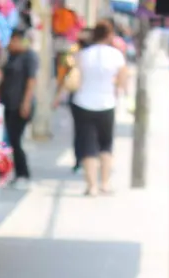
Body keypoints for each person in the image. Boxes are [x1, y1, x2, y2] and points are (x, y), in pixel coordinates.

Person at [58, 19, 128, 196]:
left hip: (83, 102)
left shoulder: (84, 54)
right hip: (106, 103)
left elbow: (75, 78)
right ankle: (104, 183)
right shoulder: (116, 56)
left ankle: (91, 186)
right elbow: (122, 82)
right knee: (105, 145)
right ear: (110, 35)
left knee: (88, 145)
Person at [0, 27, 38, 187]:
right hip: (8, 103)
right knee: (11, 140)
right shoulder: (12, 56)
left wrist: (26, 103)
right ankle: (16, 172)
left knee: (16, 140)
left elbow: (31, 81)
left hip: (21, 104)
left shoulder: (30, 57)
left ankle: (23, 173)